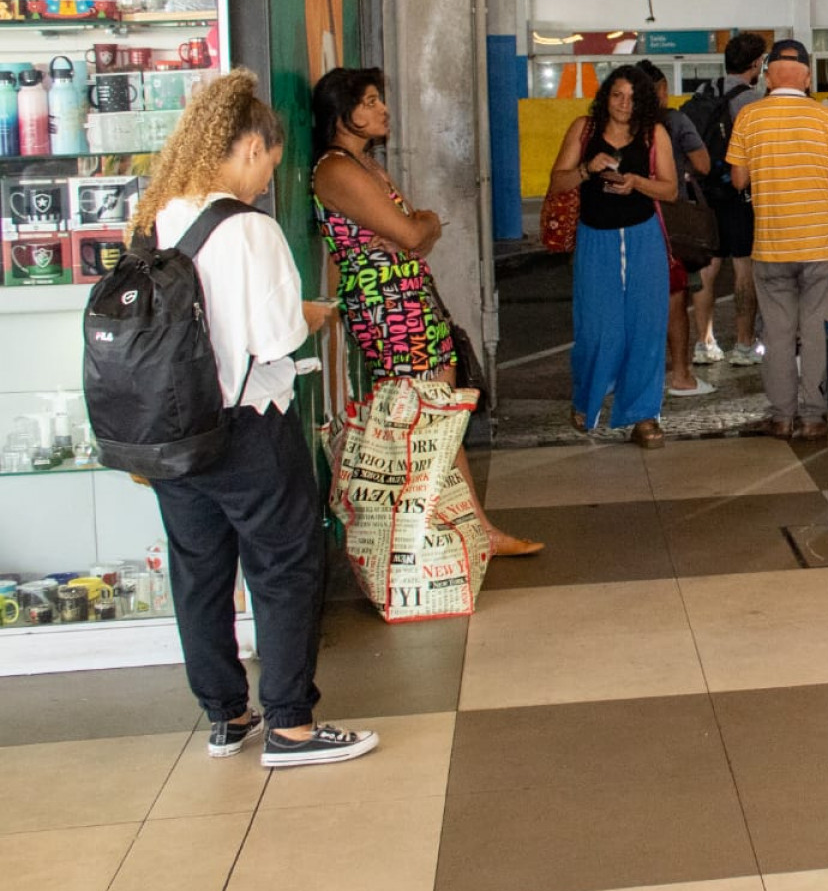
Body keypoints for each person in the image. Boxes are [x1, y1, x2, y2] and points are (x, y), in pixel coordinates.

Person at [138, 70, 377, 767]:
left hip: (174, 430)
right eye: (268, 163)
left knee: (200, 570)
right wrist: (307, 315)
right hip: (247, 423)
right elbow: (275, 339)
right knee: (285, 563)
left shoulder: (154, 215)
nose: (265, 179)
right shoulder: (249, 229)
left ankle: (225, 714)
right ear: (246, 146)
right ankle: (292, 725)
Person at [312, 68, 541, 556]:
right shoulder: (337, 169)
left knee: (439, 417)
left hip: (409, 299)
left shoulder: (363, 165)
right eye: (370, 102)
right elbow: (415, 234)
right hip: (388, 307)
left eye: (380, 100)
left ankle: (472, 528)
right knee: (425, 420)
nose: (382, 110)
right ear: (341, 112)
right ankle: (444, 535)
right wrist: (425, 223)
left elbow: (410, 235)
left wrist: (416, 228)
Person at [728, 39, 828, 439]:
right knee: (818, 327)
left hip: (771, 245)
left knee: (778, 331)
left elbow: (738, 180)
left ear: (768, 77)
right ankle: (815, 416)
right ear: (806, 77)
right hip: (820, 244)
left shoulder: (749, 118)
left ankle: (782, 416)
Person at [547, 65, 679, 446]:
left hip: (644, 238)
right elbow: (557, 181)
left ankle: (643, 415)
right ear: (606, 96)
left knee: (646, 327)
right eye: (618, 95)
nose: (624, 104)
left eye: (633, 97)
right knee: (598, 329)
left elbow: (670, 190)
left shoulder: (654, 134)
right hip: (595, 239)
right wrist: (588, 169)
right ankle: (586, 399)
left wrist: (637, 182)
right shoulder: (583, 129)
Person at [690, 32, 767, 367]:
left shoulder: (703, 92)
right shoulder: (752, 100)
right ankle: (744, 343)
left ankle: (704, 343)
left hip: (704, 192)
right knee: (743, 266)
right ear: (756, 64)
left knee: (707, 269)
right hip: (738, 194)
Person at [640, 60, 715, 400]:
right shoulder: (674, 121)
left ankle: (635, 375)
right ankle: (681, 376)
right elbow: (703, 165)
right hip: (671, 221)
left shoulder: (618, 126)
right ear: (658, 90)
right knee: (675, 298)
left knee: (635, 301)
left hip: (630, 220)